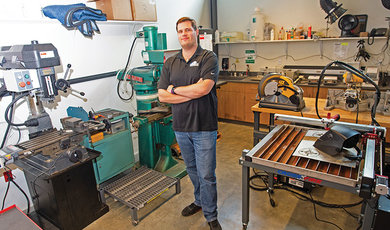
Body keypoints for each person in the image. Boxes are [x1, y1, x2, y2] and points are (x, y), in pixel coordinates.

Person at [157, 17, 221, 230]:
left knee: (206, 174)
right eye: (180, 31)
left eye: (187, 30)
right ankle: (199, 202)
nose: (184, 34)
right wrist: (192, 92)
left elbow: (204, 89)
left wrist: (174, 90)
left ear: (196, 32)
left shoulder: (208, 57)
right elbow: (162, 97)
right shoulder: (170, 63)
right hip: (181, 128)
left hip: (204, 127)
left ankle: (211, 215)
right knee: (192, 170)